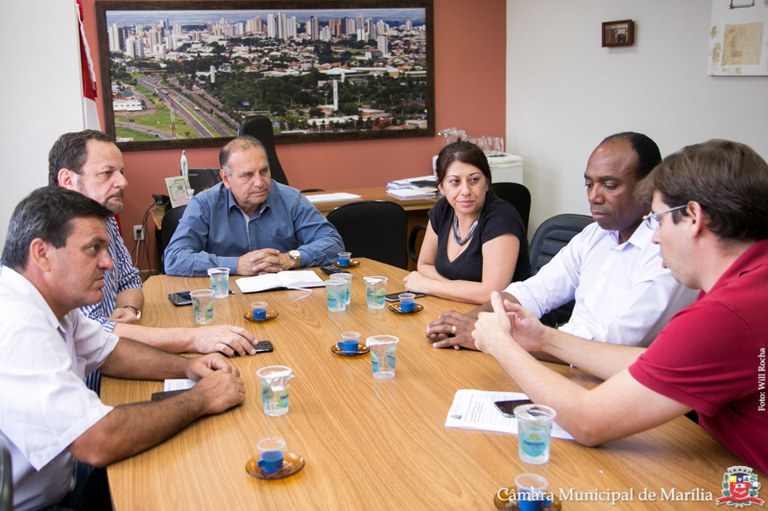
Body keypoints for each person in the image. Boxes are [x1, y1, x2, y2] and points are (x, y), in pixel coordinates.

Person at [472, 139, 768, 472]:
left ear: (694, 218)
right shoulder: (747, 283)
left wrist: (502, 345)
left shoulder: (727, 314)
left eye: (658, 219)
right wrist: (544, 339)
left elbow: (588, 422)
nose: (654, 237)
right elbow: (654, 362)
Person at [0, 187, 246, 511]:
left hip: (64, 477)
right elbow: (98, 441)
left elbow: (110, 351)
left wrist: (187, 368)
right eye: (93, 249)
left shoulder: (51, 301)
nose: (109, 263)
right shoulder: (17, 327)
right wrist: (204, 397)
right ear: (42, 254)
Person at [427, 132, 697, 350]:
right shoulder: (596, 235)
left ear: (648, 186)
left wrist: (490, 337)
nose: (594, 196)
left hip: (613, 382)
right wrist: (468, 321)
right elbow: (533, 291)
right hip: (564, 358)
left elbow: (610, 343)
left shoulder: (666, 252)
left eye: (609, 185)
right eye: (589, 184)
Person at [49, 130, 258, 394]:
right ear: (68, 179)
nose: (123, 182)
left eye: (121, 172)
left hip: (112, 359)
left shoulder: (102, 217)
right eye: (107, 173)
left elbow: (130, 278)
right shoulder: (57, 236)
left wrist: (129, 308)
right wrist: (195, 339)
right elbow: (98, 332)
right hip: (82, 388)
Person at [163, 135, 344, 276]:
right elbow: (174, 258)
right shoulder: (204, 204)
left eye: (264, 171)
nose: (260, 182)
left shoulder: (290, 199)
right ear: (226, 178)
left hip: (282, 294)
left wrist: (292, 258)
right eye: (247, 175)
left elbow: (333, 243)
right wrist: (236, 265)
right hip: (226, 296)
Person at [403, 141, 530, 304]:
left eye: (474, 180)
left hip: (506, 318)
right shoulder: (443, 209)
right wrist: (455, 290)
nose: (465, 191)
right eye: (455, 181)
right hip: (455, 307)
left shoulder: (501, 219)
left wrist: (429, 285)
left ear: (487, 182)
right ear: (441, 187)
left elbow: (491, 293)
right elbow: (424, 264)